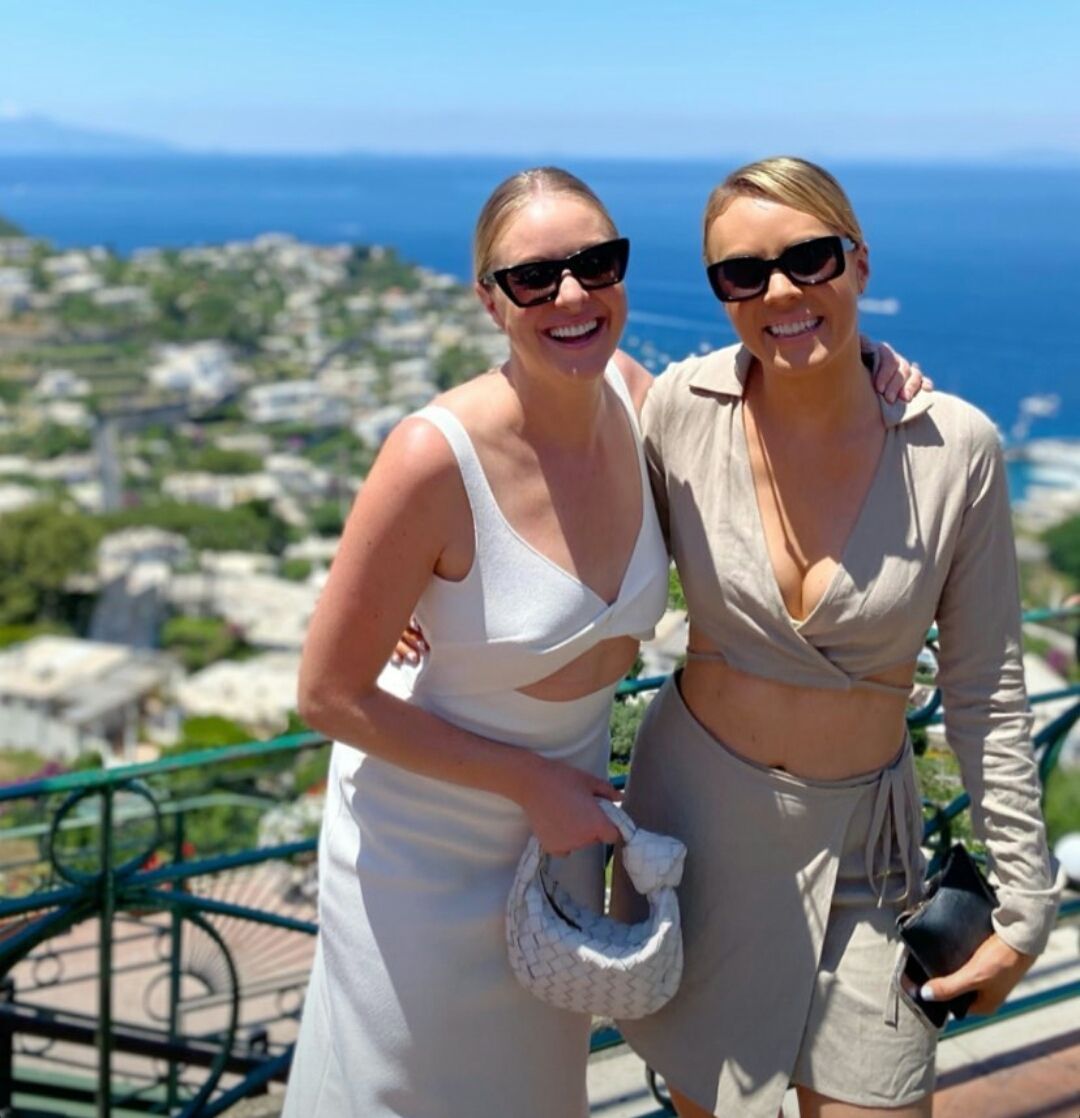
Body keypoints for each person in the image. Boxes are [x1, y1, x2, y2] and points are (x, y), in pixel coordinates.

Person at [282, 165, 922, 1118]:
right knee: (403, 1093)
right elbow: (326, 695)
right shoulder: (433, 455)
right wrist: (528, 783)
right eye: (534, 278)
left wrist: (867, 360)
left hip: (564, 833)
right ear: (490, 301)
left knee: (535, 1093)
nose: (573, 295)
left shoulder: (640, 403)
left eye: (597, 263)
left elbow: (776, 406)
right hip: (421, 846)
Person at [613, 156, 1063, 1118]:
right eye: (743, 273)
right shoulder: (679, 412)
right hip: (695, 836)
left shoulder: (955, 448)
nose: (779, 291)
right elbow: (550, 442)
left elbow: (986, 691)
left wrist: (1029, 906)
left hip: (867, 859)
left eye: (809, 258)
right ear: (721, 293)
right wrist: (428, 594)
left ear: (859, 261)